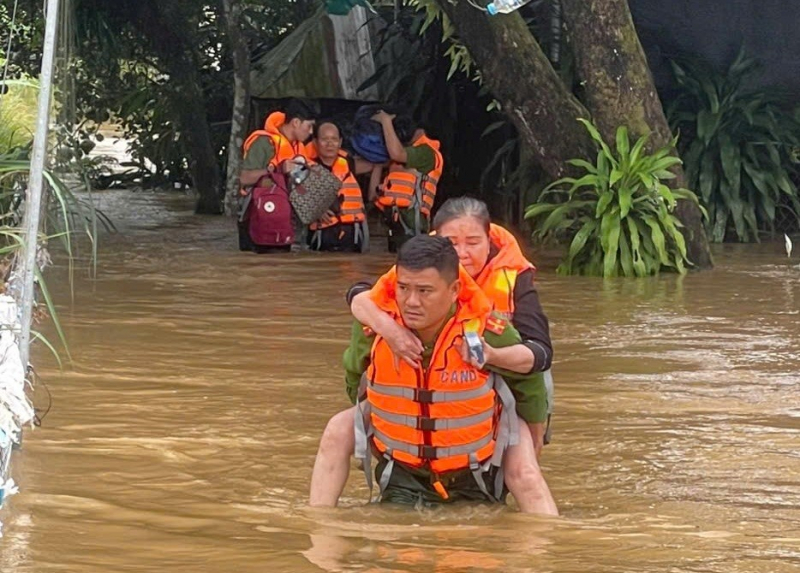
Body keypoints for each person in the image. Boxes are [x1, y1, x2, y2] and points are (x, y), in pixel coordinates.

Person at [309, 235, 558, 515]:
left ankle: (547, 544)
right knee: (337, 428)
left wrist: (534, 440)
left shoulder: (487, 331)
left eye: (425, 291)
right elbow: (355, 379)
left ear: (454, 291)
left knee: (525, 467)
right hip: (403, 473)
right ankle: (319, 527)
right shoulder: (374, 328)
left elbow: (529, 385)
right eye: (403, 288)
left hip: (477, 475)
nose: (411, 302)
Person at [350, 197, 554, 456]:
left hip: (503, 374)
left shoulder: (514, 274)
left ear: (488, 239)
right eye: (452, 243)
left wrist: (491, 355)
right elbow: (358, 296)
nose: (461, 254)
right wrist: (392, 331)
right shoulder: (424, 266)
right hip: (434, 383)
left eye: (473, 243)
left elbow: (541, 353)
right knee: (338, 430)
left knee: (525, 468)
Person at [238, 100, 316, 251]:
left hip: (288, 225)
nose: (311, 132)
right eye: (309, 126)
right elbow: (244, 178)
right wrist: (278, 169)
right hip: (259, 223)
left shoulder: (299, 148)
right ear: (295, 122)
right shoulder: (264, 142)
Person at [369, 111, 443, 252]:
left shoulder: (426, 153)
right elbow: (373, 196)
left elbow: (397, 153)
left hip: (412, 225)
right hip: (395, 224)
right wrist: (377, 165)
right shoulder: (397, 165)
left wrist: (386, 121)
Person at [306, 121, 368, 253]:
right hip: (322, 238)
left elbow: (377, 163)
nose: (329, 144)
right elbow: (295, 199)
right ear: (315, 142)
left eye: (334, 139)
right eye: (324, 139)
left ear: (340, 142)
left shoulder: (349, 163)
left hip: (353, 235)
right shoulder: (306, 169)